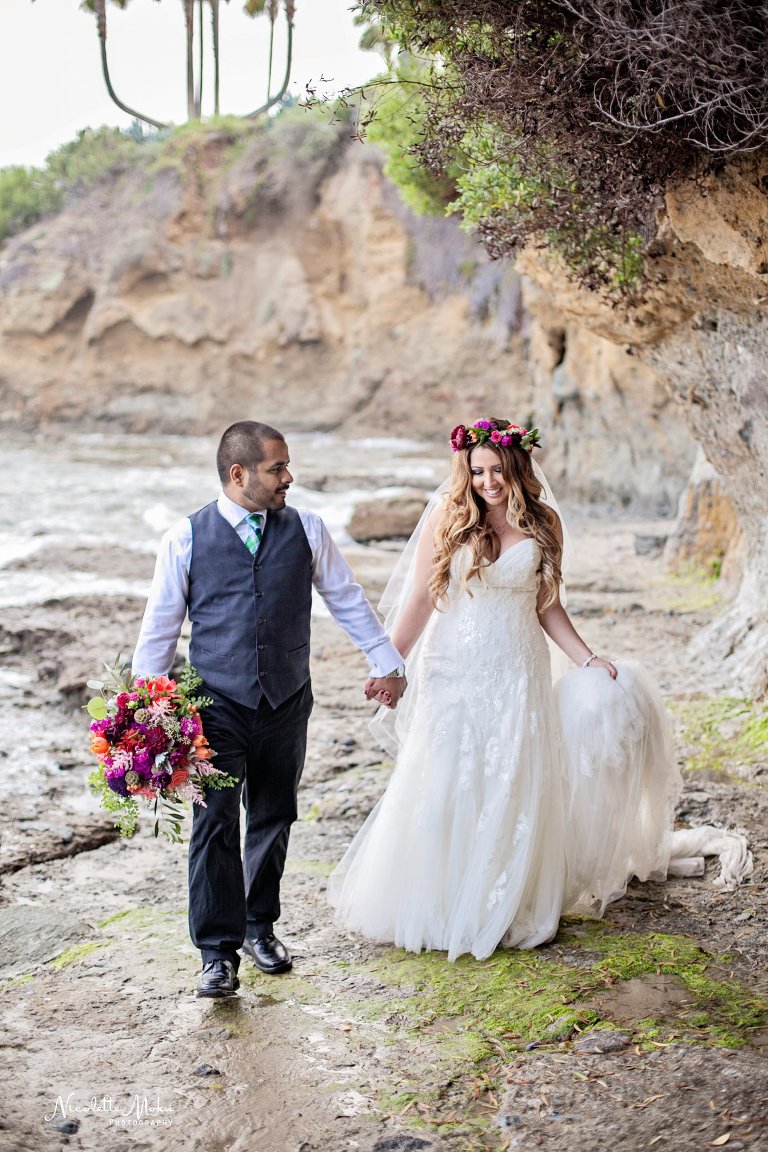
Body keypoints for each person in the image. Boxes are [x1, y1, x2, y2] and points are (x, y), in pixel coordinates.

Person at [329, 417, 751, 961]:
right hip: (453, 666)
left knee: (510, 775)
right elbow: (417, 598)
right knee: (448, 774)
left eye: (498, 470)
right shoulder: (447, 516)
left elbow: (547, 605)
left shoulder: (544, 522)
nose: (488, 482)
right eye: (477, 471)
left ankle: (504, 899)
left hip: (516, 667)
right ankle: (441, 900)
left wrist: (587, 658)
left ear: (518, 467)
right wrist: (389, 663)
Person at [132, 420, 406, 997]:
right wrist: (145, 709)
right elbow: (160, 629)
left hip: (286, 698)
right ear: (239, 474)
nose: (289, 477)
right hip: (213, 705)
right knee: (213, 824)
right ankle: (216, 952)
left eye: (286, 466)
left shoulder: (307, 528)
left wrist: (387, 660)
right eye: (276, 468)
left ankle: (261, 928)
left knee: (274, 815)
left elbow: (346, 598)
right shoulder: (184, 537)